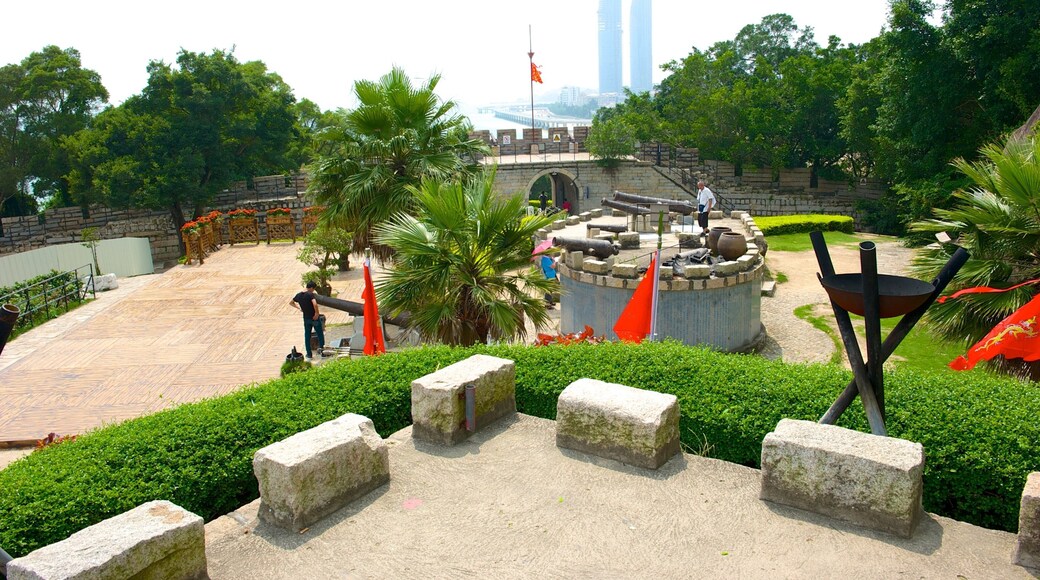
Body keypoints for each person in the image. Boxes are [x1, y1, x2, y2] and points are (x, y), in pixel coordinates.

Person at [289, 281, 325, 359]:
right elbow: (315, 304)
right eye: (313, 289)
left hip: (306, 318)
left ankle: (309, 354)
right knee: (319, 333)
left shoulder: (298, 295)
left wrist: (299, 308)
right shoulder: (310, 294)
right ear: (311, 288)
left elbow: (291, 302)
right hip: (314, 318)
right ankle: (322, 350)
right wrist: (317, 313)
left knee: (307, 335)